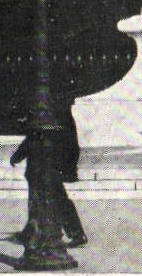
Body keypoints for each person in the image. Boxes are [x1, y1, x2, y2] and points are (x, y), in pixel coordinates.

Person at [11, 105, 86, 248]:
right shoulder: (57, 114)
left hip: (46, 167)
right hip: (43, 167)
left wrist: (18, 156)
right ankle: (32, 232)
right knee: (40, 200)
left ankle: (76, 233)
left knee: (56, 199)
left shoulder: (53, 114)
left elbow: (33, 137)